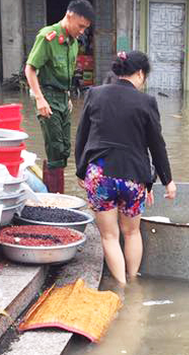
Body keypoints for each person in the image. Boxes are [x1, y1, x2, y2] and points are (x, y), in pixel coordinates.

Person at [75, 50, 177, 285]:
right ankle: (133, 283)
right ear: (140, 74)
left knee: (110, 236)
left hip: (100, 174)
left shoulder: (95, 94)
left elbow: (82, 136)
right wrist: (167, 180)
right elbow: (156, 145)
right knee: (132, 233)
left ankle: (120, 286)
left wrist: (81, 170)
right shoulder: (146, 102)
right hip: (133, 177)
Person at [24, 0, 94, 194]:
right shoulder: (48, 37)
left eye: (85, 28)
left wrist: (67, 96)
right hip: (47, 97)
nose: (82, 31)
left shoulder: (73, 42)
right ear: (69, 15)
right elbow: (30, 69)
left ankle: (55, 194)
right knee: (55, 148)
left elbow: (67, 74)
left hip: (63, 98)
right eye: (80, 26)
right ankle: (54, 200)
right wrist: (39, 99)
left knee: (64, 149)